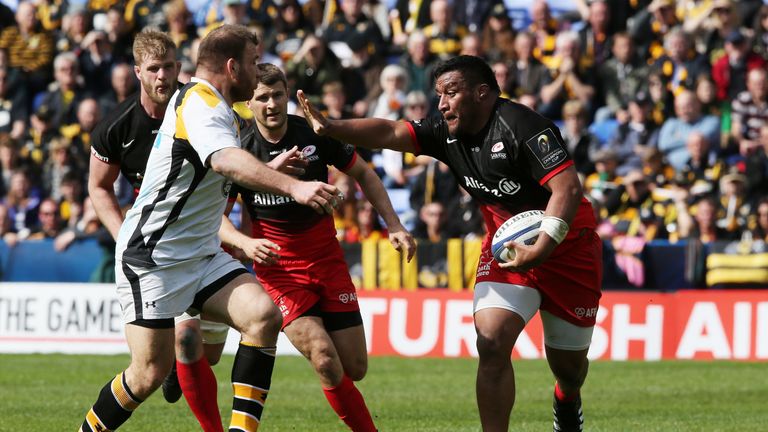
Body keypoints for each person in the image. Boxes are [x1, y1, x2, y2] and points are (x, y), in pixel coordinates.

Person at [298, 55, 602, 432]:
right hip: (506, 249)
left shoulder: (524, 126)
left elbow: (568, 188)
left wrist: (542, 247)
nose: (441, 103)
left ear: (482, 92)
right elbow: (391, 132)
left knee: (569, 368)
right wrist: (332, 127)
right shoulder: (444, 131)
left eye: (451, 93)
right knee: (490, 342)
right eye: (439, 93)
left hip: (568, 247)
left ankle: (566, 399)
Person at [79, 24, 341, 432]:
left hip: (201, 252)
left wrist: (268, 171)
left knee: (263, 316)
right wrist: (295, 186)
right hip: (155, 256)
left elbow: (215, 173)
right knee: (148, 374)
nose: (259, 74)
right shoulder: (201, 103)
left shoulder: (215, 104)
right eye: (254, 64)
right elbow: (222, 161)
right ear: (233, 67)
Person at [220, 63, 415, 431]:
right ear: (250, 102)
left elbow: (365, 173)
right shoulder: (240, 150)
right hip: (279, 271)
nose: (271, 104)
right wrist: (244, 242)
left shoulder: (310, 133)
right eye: (262, 97)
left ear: (288, 94)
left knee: (354, 367)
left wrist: (395, 224)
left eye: (277, 95)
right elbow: (216, 217)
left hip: (327, 261)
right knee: (324, 357)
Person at [88, 29, 233, 432]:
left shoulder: (199, 106)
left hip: (201, 237)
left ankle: (175, 366)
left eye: (170, 66)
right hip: (154, 249)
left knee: (207, 353)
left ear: (180, 67)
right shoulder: (117, 125)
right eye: (154, 69)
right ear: (138, 72)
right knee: (165, 358)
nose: (163, 76)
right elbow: (98, 188)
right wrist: (124, 238)